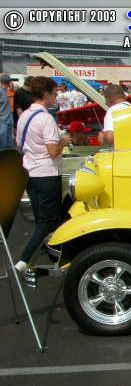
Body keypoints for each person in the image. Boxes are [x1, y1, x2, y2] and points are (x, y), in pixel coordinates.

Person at [14, 76, 72, 272]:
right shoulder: (46, 118)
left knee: (42, 220)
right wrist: (64, 141)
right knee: (49, 221)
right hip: (47, 173)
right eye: (54, 94)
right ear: (46, 95)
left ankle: (46, 256)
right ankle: (24, 260)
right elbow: (53, 151)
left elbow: (19, 143)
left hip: (30, 173)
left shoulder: (24, 116)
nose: (56, 98)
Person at [0, 74, 14, 149]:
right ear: (8, 82)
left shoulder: (5, 91)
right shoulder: (1, 91)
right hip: (2, 121)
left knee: (8, 144)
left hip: (7, 120)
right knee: (3, 143)